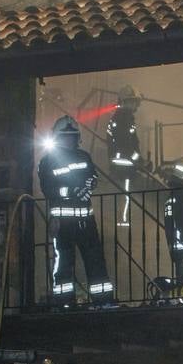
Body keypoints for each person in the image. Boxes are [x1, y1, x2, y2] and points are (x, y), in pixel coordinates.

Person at [38, 115, 114, 307]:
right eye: (66, 136)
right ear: (57, 137)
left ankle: (103, 300)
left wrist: (89, 185)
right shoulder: (48, 161)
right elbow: (48, 189)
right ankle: (64, 303)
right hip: (62, 223)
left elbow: (93, 177)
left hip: (86, 221)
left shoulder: (84, 156)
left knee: (95, 261)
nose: (70, 139)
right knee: (63, 264)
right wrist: (71, 191)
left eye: (72, 136)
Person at [106, 85, 150, 225]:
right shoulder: (123, 119)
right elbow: (126, 144)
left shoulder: (122, 118)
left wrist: (140, 161)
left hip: (123, 162)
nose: (136, 105)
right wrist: (140, 161)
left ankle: (124, 220)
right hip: (123, 164)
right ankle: (123, 221)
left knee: (126, 193)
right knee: (125, 194)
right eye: (134, 102)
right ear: (126, 101)